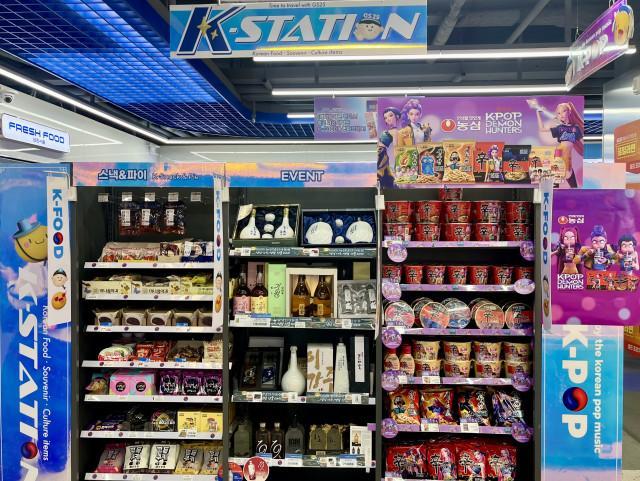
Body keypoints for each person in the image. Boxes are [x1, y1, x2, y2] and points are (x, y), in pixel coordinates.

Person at [530, 99, 583, 188]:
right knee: (555, 188)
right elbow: (542, 129)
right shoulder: (559, 128)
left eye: (563, 111)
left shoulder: (575, 128)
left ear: (569, 111)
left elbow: (582, 142)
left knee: (574, 187)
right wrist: (538, 113)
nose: (561, 115)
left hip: (568, 162)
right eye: (558, 113)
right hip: (558, 160)